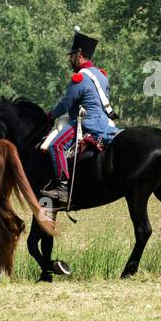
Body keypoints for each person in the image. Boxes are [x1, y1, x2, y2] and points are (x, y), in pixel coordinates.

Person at [42, 27, 119, 205]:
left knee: (56, 146)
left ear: (79, 54)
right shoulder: (101, 75)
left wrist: (49, 115)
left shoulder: (79, 78)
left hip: (86, 123)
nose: (70, 59)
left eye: (71, 55)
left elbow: (65, 105)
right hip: (106, 122)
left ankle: (62, 188)